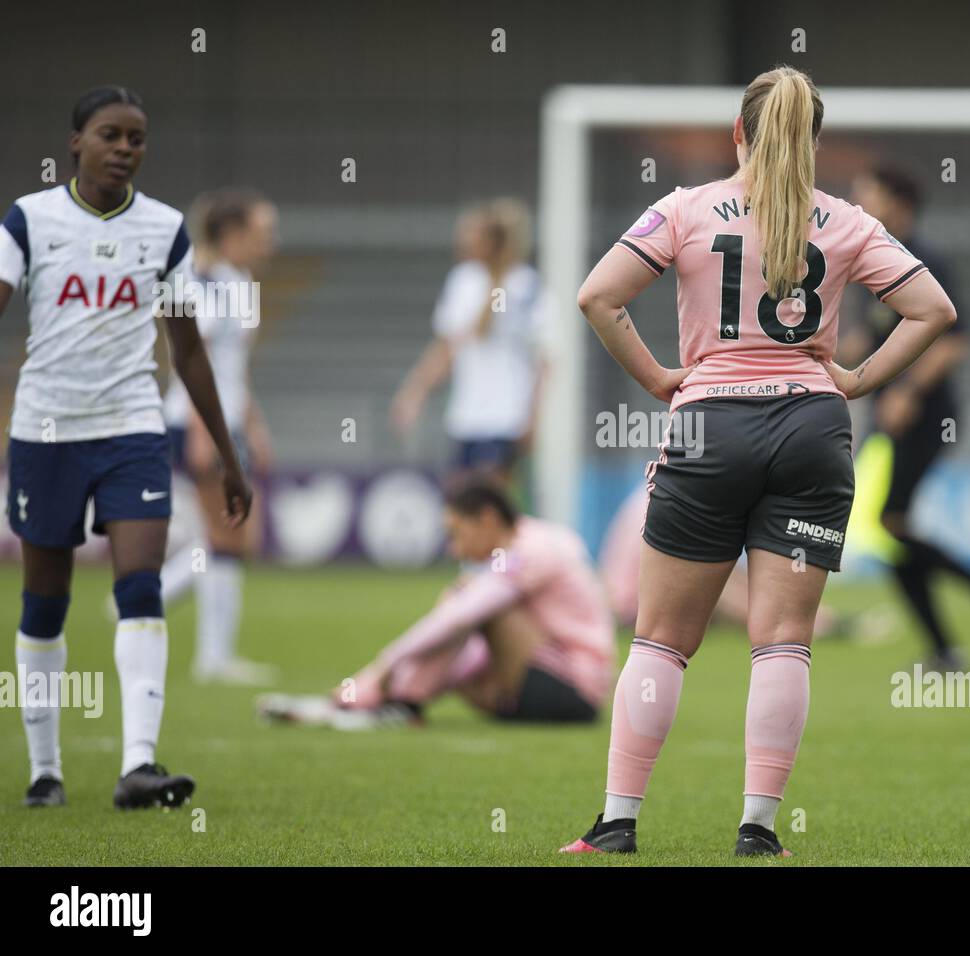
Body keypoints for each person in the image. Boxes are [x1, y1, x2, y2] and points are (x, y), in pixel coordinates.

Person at [559, 65, 956, 857]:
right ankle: (758, 831)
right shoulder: (844, 220)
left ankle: (616, 825)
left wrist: (661, 380)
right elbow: (931, 309)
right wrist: (853, 380)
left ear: (739, 133)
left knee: (662, 639)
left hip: (709, 424)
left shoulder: (685, 208)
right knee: (782, 640)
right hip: (813, 427)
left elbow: (598, 297)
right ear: (812, 142)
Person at [0, 86, 252, 809]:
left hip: (132, 429)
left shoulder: (165, 229)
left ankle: (138, 765)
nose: (124, 149)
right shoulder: (28, 220)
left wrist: (230, 459)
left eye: (136, 139)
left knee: (140, 588)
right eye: (110, 135)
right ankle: (44, 771)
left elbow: (190, 353)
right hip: (46, 432)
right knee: (43, 603)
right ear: (75, 142)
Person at [257, 479, 614, 728]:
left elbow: (461, 618)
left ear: (488, 519)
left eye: (456, 533)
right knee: (461, 621)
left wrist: (384, 667)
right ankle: (392, 705)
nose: (454, 549)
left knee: (472, 610)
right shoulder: (533, 540)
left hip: (574, 693)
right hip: (545, 687)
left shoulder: (531, 550)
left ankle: (383, 702)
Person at [841, 164, 970, 671]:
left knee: (887, 523)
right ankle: (947, 646)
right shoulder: (873, 258)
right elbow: (869, 338)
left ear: (897, 201)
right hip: (890, 415)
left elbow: (954, 341)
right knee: (888, 529)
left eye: (866, 191)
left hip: (926, 414)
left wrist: (908, 392)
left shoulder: (925, 259)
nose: (857, 199)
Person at [158, 187, 278, 685]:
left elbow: (234, 369)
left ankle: (155, 600)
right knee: (226, 534)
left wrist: (253, 423)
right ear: (231, 234)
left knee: (231, 536)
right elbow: (193, 360)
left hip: (224, 423)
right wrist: (206, 433)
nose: (270, 243)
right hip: (200, 422)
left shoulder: (239, 282)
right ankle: (208, 653)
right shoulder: (202, 282)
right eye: (262, 233)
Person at [390, 200, 552, 485]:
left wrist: (533, 416)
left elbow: (544, 359)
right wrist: (414, 393)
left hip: (506, 417)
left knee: (490, 507)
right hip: (465, 416)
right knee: (461, 504)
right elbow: (446, 349)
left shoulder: (527, 287)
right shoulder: (463, 282)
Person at [600, 484, 857, 639]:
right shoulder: (683, 501)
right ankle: (796, 626)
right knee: (720, 587)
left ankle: (808, 620)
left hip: (638, 600)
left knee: (728, 578)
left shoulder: (664, 489)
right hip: (638, 608)